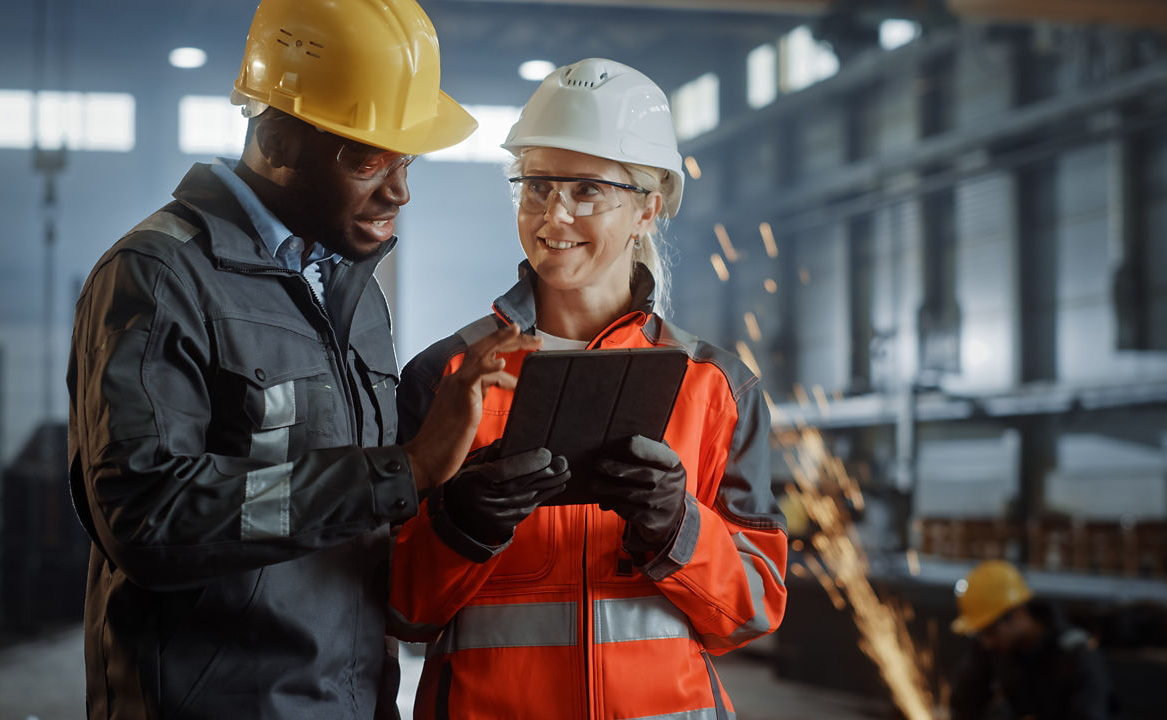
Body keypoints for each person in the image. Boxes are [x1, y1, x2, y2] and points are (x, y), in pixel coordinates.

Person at [65, 1, 540, 717]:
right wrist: (403, 470)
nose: (400, 190)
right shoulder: (159, 278)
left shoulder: (352, 292)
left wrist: (454, 497)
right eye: (369, 157)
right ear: (280, 140)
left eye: (405, 159)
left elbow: (347, 513)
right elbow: (148, 519)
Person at [387, 58, 789, 719]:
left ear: (647, 210)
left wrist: (676, 526)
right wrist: (461, 525)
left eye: (587, 189)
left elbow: (749, 615)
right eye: (536, 185)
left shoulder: (717, 387)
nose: (555, 213)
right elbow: (399, 608)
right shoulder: (450, 378)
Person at [950, 560, 1112, 720]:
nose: (987, 642)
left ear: (1018, 613)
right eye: (981, 634)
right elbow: (964, 704)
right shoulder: (996, 649)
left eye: (990, 632)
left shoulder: (1077, 657)